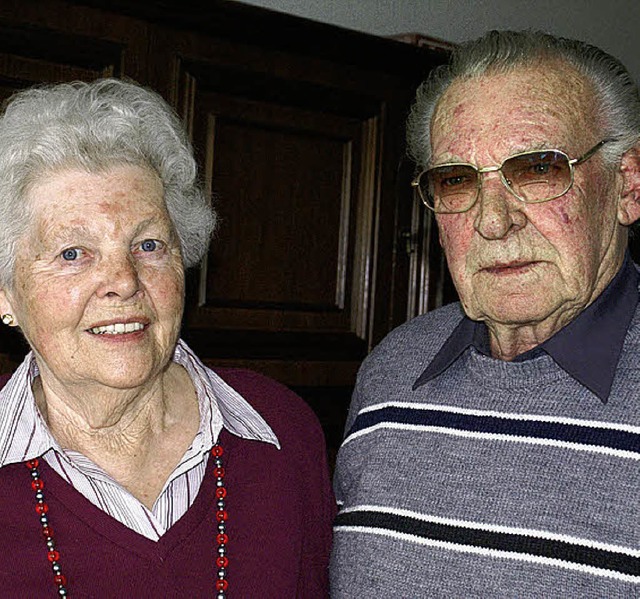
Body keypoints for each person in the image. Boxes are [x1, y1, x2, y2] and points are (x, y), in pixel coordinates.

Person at [331, 30, 640, 597]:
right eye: (456, 181)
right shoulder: (390, 372)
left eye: (538, 170)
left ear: (628, 184)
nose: (493, 222)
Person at [0, 78, 335, 597]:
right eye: (72, 253)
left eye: (149, 244)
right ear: (5, 295)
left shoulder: (282, 431)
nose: (124, 281)